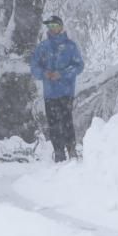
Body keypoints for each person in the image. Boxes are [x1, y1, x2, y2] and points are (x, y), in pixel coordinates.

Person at [30, 15, 85, 162]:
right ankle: (58, 153)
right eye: (50, 26)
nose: (52, 29)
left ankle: (72, 151)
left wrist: (61, 74)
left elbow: (79, 66)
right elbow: (34, 67)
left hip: (66, 92)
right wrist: (45, 74)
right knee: (53, 124)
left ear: (61, 27)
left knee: (67, 122)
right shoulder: (43, 47)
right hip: (50, 93)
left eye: (55, 26)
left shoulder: (70, 46)